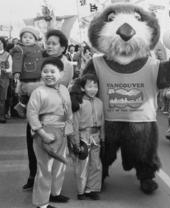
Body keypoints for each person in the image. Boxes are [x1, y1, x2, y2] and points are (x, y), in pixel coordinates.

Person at [22, 29, 73, 191]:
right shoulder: (41, 58)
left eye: (54, 43)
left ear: (63, 47)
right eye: (48, 42)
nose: (49, 46)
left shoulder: (66, 64)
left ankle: (52, 190)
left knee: (54, 156)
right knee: (33, 149)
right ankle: (34, 178)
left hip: (54, 120)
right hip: (36, 114)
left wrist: (28, 87)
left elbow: (58, 84)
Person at [27, 57, 73, 208]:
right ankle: (42, 203)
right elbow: (32, 115)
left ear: (60, 73)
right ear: (41, 73)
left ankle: (55, 193)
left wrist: (69, 132)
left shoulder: (64, 89)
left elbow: (69, 112)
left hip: (62, 133)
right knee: (45, 169)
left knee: (59, 166)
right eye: (45, 71)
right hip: (45, 134)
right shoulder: (38, 92)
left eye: (52, 71)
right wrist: (42, 134)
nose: (48, 74)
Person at [69, 73, 104, 200]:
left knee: (96, 164)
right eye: (90, 86)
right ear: (83, 88)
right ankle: (81, 191)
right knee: (82, 165)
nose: (93, 89)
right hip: (83, 136)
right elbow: (75, 124)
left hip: (96, 136)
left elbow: (103, 121)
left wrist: (103, 137)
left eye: (95, 86)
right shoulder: (79, 103)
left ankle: (92, 189)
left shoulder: (100, 102)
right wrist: (76, 142)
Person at [10, 26, 43, 118]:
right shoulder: (20, 48)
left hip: (38, 75)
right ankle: (21, 106)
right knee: (26, 92)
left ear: (35, 39)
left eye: (30, 38)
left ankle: (25, 107)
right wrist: (17, 72)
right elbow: (17, 61)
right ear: (21, 38)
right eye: (25, 37)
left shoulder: (38, 47)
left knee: (35, 94)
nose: (27, 39)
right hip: (26, 75)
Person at [0, 37, 12, 123]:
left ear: (3, 44)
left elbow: (10, 69)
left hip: (3, 79)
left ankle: (1, 116)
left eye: (0, 43)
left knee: (2, 99)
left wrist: (4, 70)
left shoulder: (8, 55)